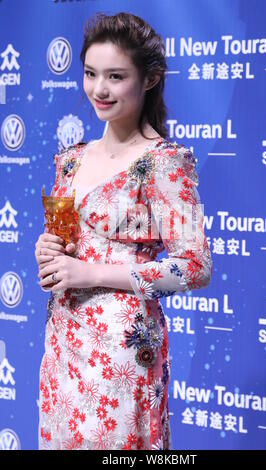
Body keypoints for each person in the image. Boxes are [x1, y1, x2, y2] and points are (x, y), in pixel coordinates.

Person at [35, 12, 212, 450]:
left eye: (115, 76)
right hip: (63, 339)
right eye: (91, 73)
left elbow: (195, 267)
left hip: (121, 352)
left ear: (149, 79)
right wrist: (49, 248)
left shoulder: (165, 162)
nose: (99, 89)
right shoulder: (71, 159)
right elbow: (70, 243)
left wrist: (91, 274)